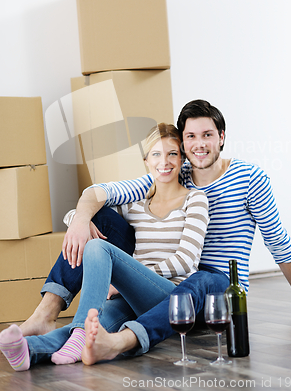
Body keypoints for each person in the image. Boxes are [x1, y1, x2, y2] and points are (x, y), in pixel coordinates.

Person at [16, 100, 291, 350]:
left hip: (216, 284)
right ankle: (42, 324)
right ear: (183, 143)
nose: (199, 144)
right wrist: (81, 218)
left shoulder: (250, 178)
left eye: (208, 135)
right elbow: (106, 192)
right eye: (191, 136)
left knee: (202, 280)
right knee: (101, 217)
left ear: (221, 138)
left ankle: (124, 341)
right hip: (169, 282)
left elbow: (277, 239)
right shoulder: (174, 174)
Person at [0, 123, 209, 371]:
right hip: (131, 297)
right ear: (146, 161)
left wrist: (130, 277)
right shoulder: (136, 205)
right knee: (93, 328)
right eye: (156, 154)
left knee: (99, 248)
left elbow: (187, 260)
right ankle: (30, 350)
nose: (164, 161)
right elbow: (76, 216)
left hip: (170, 296)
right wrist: (81, 220)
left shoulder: (195, 199)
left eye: (172, 153)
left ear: (182, 158)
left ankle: (74, 330)